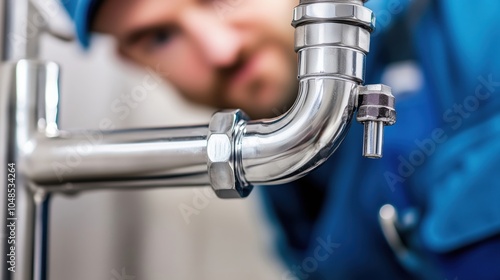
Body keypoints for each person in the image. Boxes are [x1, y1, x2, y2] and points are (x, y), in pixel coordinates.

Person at [61, 0, 500, 279]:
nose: (220, 50)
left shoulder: (479, 30)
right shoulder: (285, 179)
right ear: (131, 60)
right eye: (160, 37)